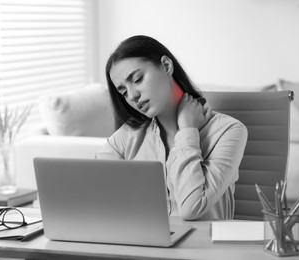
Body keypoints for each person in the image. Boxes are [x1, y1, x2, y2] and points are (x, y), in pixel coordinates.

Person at [95, 35, 248, 220]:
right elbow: (94, 193)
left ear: (166, 66)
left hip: (203, 247)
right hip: (143, 244)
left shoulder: (228, 131)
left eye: (137, 79)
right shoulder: (127, 136)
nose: (133, 96)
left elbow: (192, 208)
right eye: (124, 92)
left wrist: (187, 131)